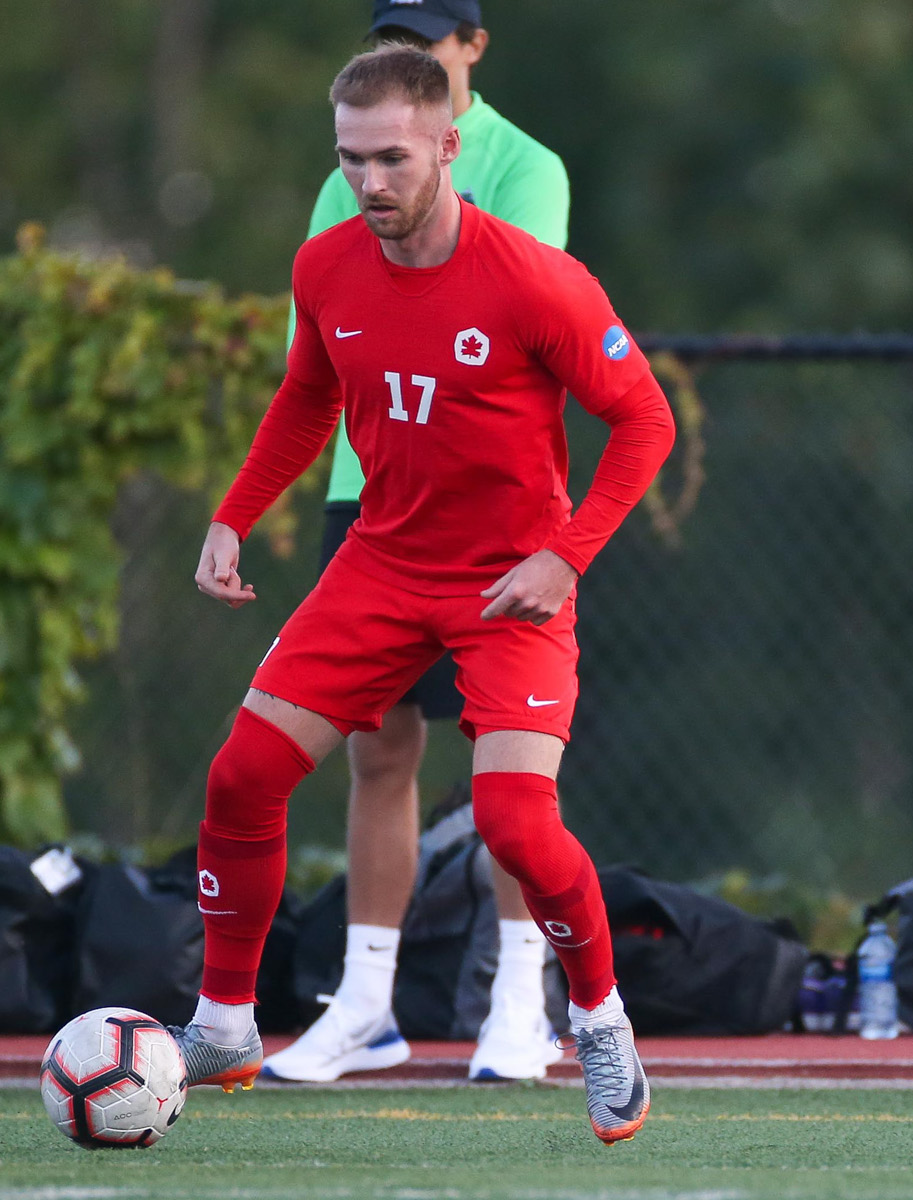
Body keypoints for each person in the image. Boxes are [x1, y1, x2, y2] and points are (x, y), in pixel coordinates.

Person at [170, 46, 673, 1145]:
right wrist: (233, 513)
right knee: (242, 776)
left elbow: (645, 421)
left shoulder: (534, 277)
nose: (370, 182)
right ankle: (222, 1023)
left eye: (393, 157)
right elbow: (308, 398)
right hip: (382, 568)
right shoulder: (327, 266)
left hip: (510, 584)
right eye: (351, 159)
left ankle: (594, 1018)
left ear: (450, 147)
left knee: (512, 820)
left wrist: (568, 554)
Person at [264, 0, 576, 1088]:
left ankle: (519, 1005)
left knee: (509, 762)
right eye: (392, 29)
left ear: (473, 49)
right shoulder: (351, 160)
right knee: (377, 749)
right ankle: (365, 1005)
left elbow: (517, 315)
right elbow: (323, 328)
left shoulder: (528, 166)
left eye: (435, 34)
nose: (411, 50)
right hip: (373, 498)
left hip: (489, 508)